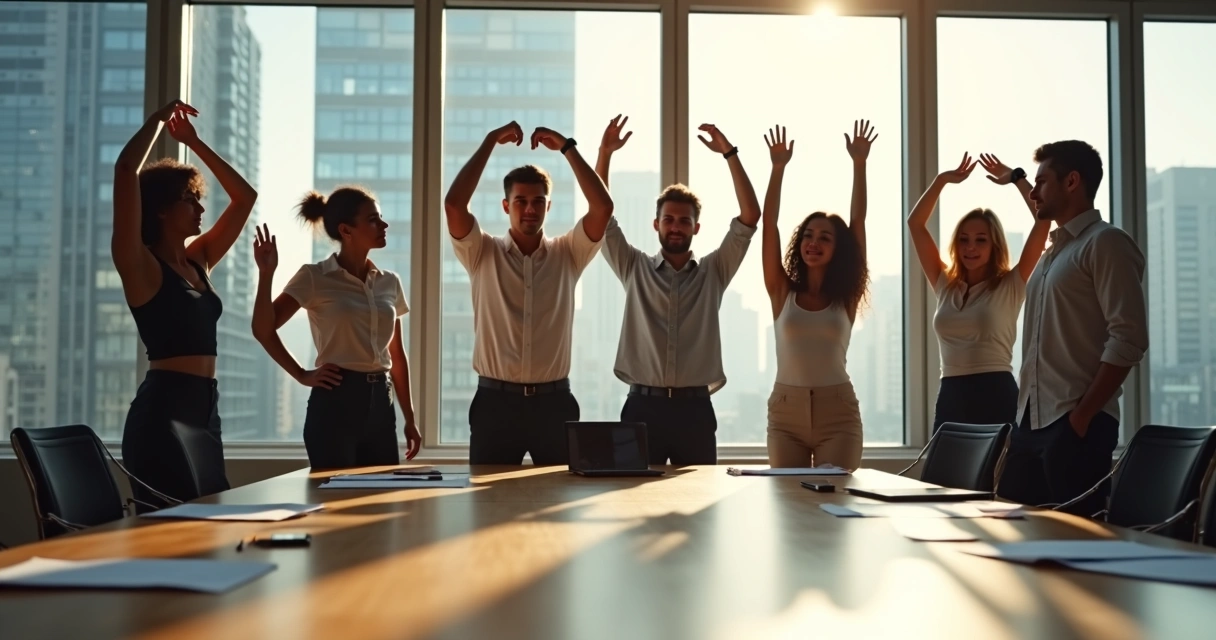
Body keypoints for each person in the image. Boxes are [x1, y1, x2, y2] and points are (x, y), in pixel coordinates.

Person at [113, 100, 257, 509]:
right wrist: (157, 122)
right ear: (160, 209)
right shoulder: (140, 264)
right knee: (175, 532)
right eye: (190, 200)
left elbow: (244, 198)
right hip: (163, 412)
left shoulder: (198, 259)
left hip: (205, 407)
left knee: (212, 522)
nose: (200, 208)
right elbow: (126, 172)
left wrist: (194, 143)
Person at [443, 121, 614, 465]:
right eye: (520, 201)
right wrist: (490, 139)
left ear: (549, 207)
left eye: (538, 201)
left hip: (555, 405)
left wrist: (568, 148)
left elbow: (603, 209)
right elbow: (454, 205)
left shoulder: (569, 253)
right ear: (506, 206)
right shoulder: (482, 253)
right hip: (495, 404)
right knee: (487, 509)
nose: (530, 208)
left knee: (556, 507)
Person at [595, 116, 760, 465]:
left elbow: (750, 215)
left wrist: (729, 153)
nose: (675, 226)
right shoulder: (633, 267)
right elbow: (600, 214)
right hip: (641, 407)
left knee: (697, 512)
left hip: (695, 411)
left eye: (684, 220)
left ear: (696, 227)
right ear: (656, 224)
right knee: (636, 507)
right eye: (668, 219)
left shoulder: (714, 271)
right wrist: (605, 153)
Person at [998, 140, 1148, 517]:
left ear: (1072, 182)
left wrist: (1081, 418)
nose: (1033, 192)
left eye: (1041, 182)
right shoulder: (1053, 252)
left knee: (1075, 550)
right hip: (1029, 424)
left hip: (1074, 425)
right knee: (1014, 541)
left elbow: (1129, 338)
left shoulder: (1106, 243)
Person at [250, 189, 420, 469]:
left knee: (382, 502)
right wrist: (302, 374)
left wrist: (410, 419)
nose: (384, 225)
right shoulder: (314, 277)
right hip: (335, 402)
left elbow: (397, 355)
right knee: (333, 499)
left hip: (381, 404)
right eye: (373, 219)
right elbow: (263, 329)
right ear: (346, 230)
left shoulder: (390, 282)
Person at [760, 121, 876, 470]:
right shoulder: (781, 291)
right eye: (809, 235)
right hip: (785, 413)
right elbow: (769, 224)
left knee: (834, 504)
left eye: (825, 237)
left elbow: (858, 223)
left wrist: (859, 164)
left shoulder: (847, 296)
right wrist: (777, 169)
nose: (813, 243)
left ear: (837, 249)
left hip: (837, 413)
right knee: (789, 504)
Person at [907, 152, 1050, 432]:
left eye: (980, 240)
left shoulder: (1011, 283)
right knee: (942, 476)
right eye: (964, 239)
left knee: (998, 475)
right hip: (950, 393)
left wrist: (1017, 178)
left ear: (994, 244)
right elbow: (915, 224)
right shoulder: (945, 284)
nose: (970, 247)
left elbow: (1043, 222)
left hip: (995, 392)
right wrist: (942, 180)